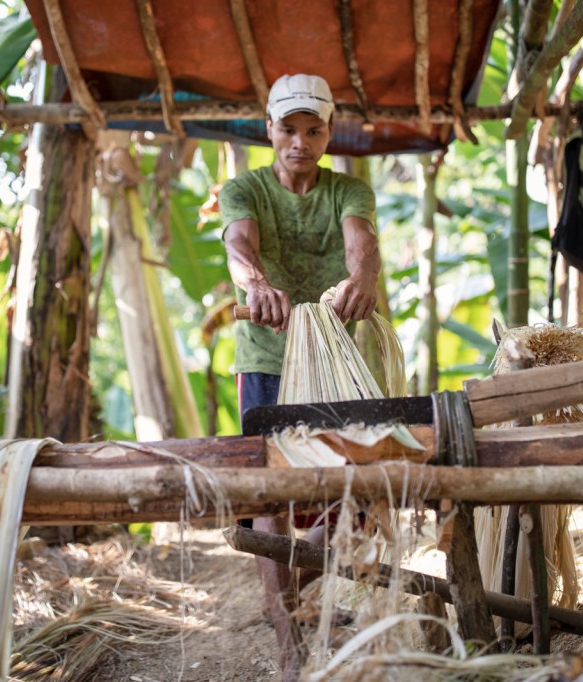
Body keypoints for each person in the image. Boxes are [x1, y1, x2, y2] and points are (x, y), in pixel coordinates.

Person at [220, 73, 382, 679]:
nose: (300, 141)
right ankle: (288, 644)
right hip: (267, 358)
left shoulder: (348, 190)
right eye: (288, 128)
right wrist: (256, 285)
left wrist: (361, 279)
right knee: (272, 495)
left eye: (313, 130)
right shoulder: (245, 189)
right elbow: (240, 244)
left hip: (338, 358)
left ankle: (289, 595)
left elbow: (360, 243)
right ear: (270, 130)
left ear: (328, 133)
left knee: (352, 495)